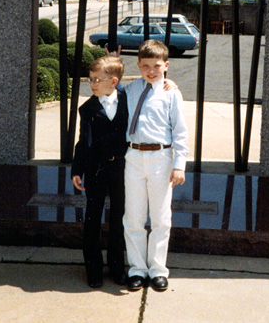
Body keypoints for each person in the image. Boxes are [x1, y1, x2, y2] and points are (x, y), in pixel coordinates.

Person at [122, 39, 189, 292]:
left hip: (161, 159)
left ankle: (158, 269)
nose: (151, 71)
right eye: (145, 66)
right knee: (134, 216)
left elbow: (180, 132)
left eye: (157, 66)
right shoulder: (130, 90)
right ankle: (137, 268)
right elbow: (109, 86)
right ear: (138, 66)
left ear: (166, 66)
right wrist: (114, 60)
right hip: (134, 158)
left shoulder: (172, 93)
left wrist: (179, 164)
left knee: (161, 218)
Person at [71, 55, 129, 288]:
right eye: (90, 79)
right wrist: (77, 169)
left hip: (122, 170)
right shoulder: (87, 109)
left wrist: (169, 82)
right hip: (96, 170)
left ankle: (117, 268)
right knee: (93, 219)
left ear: (113, 81)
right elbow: (83, 142)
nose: (93, 84)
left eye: (97, 79)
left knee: (119, 218)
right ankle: (93, 269)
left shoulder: (128, 100)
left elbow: (151, 87)